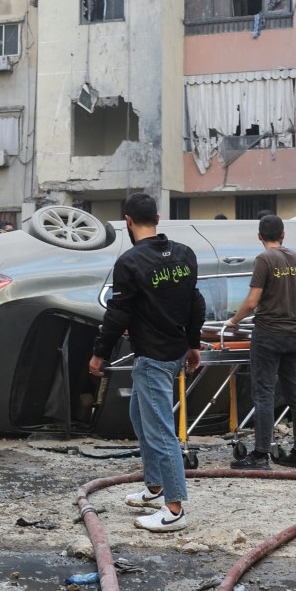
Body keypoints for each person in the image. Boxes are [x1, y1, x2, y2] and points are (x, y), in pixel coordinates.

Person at [89, 193, 204, 533]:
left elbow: (118, 313)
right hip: (173, 353)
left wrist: (99, 353)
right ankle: (155, 486)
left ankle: (174, 508)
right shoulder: (185, 254)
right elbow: (195, 302)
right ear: (157, 216)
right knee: (140, 417)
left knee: (160, 432)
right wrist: (193, 344)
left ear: (127, 221)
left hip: (154, 357)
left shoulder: (130, 262)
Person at [225, 214, 296, 470]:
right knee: (295, 393)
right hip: (294, 335)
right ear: (284, 235)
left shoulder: (264, 259)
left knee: (263, 393)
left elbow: (252, 301)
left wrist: (233, 321)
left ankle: (261, 455)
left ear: (260, 236)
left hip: (268, 335)